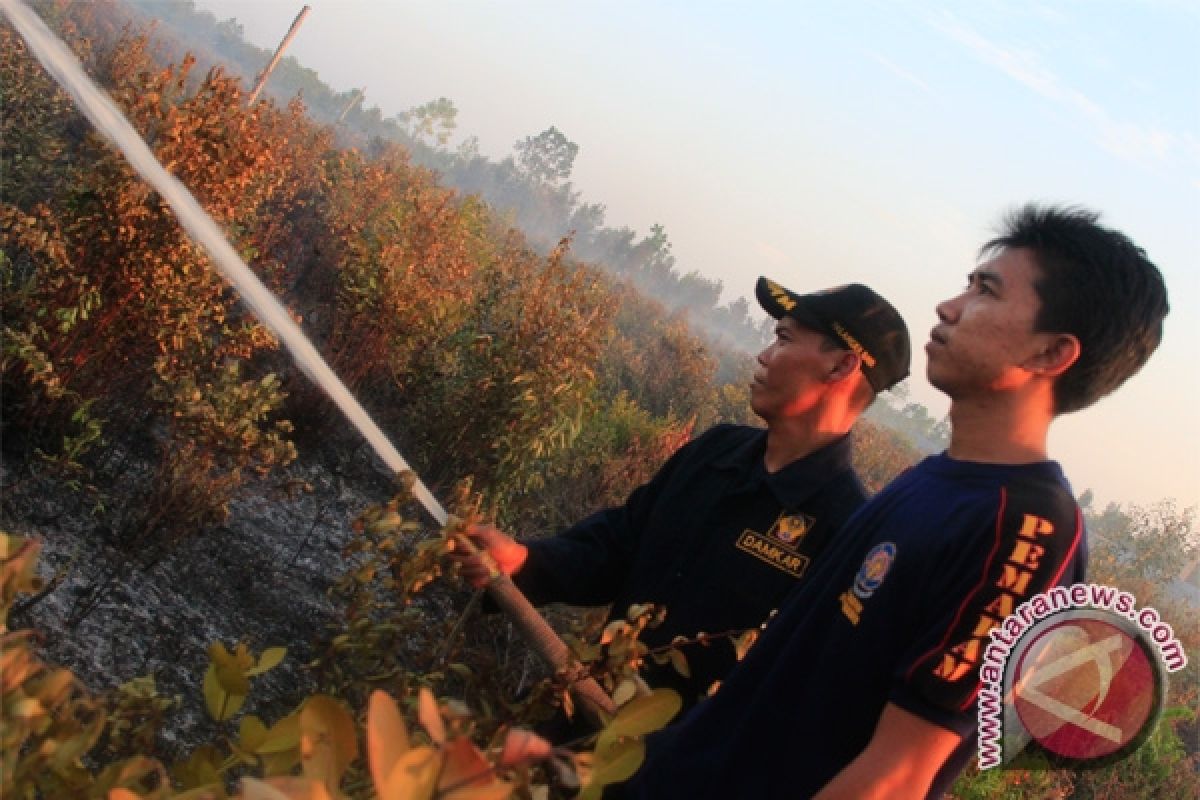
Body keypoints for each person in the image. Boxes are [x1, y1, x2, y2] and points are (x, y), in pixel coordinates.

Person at [611, 204, 1170, 799]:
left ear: (1051, 354)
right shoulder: (930, 481)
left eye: (986, 291)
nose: (949, 306)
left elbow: (896, 777)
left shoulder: (1026, 530)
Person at [452, 277, 911, 710]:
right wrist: (525, 562)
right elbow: (619, 544)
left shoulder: (848, 533)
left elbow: (796, 693)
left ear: (841, 364)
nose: (765, 356)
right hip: (580, 717)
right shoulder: (717, 452)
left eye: (785, 339)